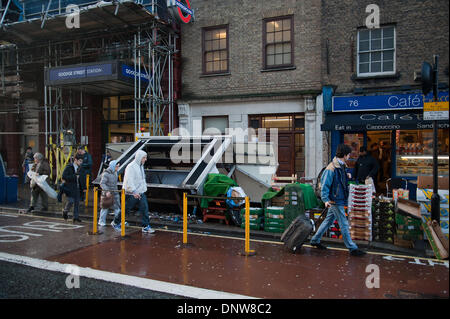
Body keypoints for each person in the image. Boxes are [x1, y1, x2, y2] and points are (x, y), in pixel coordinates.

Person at [309, 144, 366, 257]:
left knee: (328, 221)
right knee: (344, 223)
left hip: (339, 198)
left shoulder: (341, 166)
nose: (349, 156)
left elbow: (339, 180)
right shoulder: (331, 168)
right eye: (348, 154)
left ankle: (315, 240)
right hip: (334, 200)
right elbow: (324, 185)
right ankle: (352, 248)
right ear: (344, 155)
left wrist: (347, 175)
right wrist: (325, 199)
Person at [112, 150, 154, 233]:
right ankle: (116, 222)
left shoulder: (140, 166)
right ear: (139, 158)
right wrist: (134, 191)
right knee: (126, 209)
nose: (145, 159)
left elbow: (141, 179)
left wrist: (142, 189)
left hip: (140, 192)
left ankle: (145, 226)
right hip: (131, 193)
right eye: (144, 158)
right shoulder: (131, 166)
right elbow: (129, 180)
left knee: (144, 208)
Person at [61, 153, 85, 223]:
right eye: (80, 161)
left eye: (82, 161)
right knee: (71, 201)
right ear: (75, 160)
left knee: (77, 203)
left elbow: (82, 178)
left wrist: (84, 187)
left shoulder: (80, 168)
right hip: (70, 187)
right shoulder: (69, 167)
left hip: (77, 188)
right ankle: (65, 211)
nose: (81, 163)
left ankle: (76, 217)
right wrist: (74, 176)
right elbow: (64, 177)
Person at [98, 160, 121, 227]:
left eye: (118, 166)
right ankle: (101, 221)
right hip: (107, 193)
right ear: (113, 166)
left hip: (115, 192)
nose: (118, 168)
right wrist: (107, 191)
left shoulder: (115, 172)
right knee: (105, 207)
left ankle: (117, 221)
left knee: (117, 208)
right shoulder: (106, 173)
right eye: (116, 166)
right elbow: (102, 183)